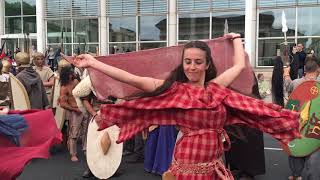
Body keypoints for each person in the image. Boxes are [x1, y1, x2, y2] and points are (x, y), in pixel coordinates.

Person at [73, 33, 300, 179]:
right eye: (188, 62)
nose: (192, 67)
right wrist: (94, 63)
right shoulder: (176, 91)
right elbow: (133, 79)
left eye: (198, 62)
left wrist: (236, 40)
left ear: (207, 64)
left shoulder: (215, 88)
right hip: (187, 161)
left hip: (214, 162)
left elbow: (239, 65)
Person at [58, 66, 86, 162]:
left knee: (86, 131)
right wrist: (74, 109)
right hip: (75, 111)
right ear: (66, 75)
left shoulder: (76, 82)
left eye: (72, 73)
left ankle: (86, 150)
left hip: (84, 109)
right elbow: (62, 103)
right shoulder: (64, 88)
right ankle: (73, 154)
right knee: (74, 133)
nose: (72, 75)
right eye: (70, 73)